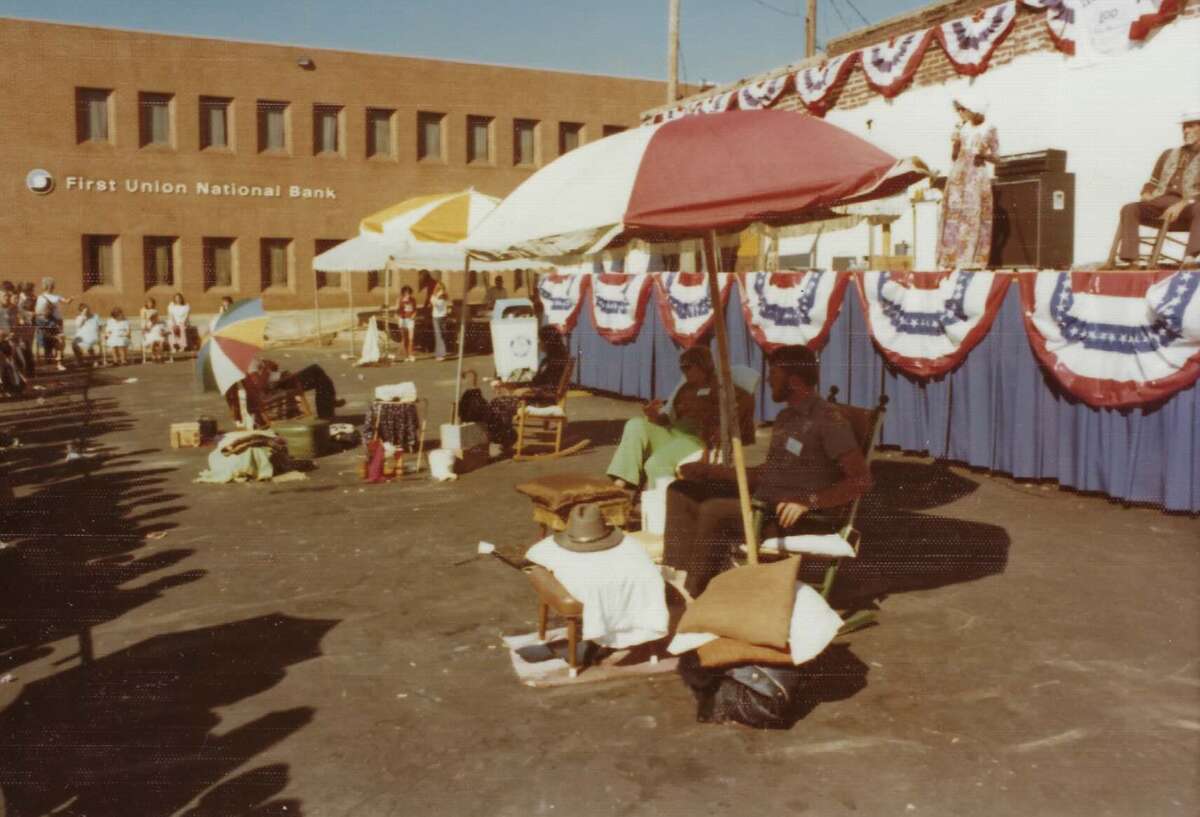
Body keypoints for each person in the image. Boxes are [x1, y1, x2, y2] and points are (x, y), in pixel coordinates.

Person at [662, 345, 872, 597]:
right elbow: (767, 474)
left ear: (793, 381)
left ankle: (695, 594)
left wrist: (808, 502)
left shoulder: (828, 421)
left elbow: (861, 479)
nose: (768, 380)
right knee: (682, 490)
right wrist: (713, 471)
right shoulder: (785, 418)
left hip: (791, 518)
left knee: (714, 510)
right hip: (763, 501)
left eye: (774, 373)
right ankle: (678, 576)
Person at [607, 346, 754, 490]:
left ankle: (664, 503)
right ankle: (624, 480)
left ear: (702, 365)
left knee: (656, 462)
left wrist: (724, 428)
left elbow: (746, 400)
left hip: (698, 438)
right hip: (674, 432)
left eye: (688, 367)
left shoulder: (721, 386)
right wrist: (654, 416)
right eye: (682, 368)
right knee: (635, 424)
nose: (684, 372)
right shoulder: (684, 389)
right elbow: (668, 420)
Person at [1117, 111, 1200, 268]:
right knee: (1129, 208)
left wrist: (1182, 204)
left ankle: (1190, 259)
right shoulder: (1168, 154)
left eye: (1190, 126)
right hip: (1159, 204)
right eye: (1184, 127)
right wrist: (1146, 193)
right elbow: (1153, 182)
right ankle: (1133, 260)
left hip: (1187, 210)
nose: (1186, 131)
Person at [936, 91, 999, 270]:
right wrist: (955, 144)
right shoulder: (962, 128)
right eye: (959, 109)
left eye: (963, 108)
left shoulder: (989, 128)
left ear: (974, 108)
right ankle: (950, 258)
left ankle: (970, 259)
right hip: (959, 176)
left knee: (972, 215)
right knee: (954, 215)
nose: (960, 112)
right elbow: (954, 157)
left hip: (975, 175)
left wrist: (984, 155)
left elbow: (997, 157)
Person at [481, 326, 571, 450]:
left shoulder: (556, 361)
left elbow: (551, 387)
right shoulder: (551, 359)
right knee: (499, 404)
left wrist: (528, 390)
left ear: (548, 341)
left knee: (498, 404)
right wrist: (511, 384)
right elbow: (539, 381)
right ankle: (505, 438)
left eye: (540, 340)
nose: (538, 343)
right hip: (538, 396)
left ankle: (505, 439)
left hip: (542, 400)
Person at [34, 277, 71, 371]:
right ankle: (54, 361)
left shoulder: (54, 296)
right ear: (48, 286)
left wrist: (70, 299)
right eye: (51, 284)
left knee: (60, 340)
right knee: (55, 340)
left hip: (56, 321)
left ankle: (59, 361)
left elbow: (66, 302)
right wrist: (46, 314)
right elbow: (38, 313)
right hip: (48, 322)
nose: (52, 286)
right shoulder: (42, 297)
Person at [395, 285, 417, 362]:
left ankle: (411, 354)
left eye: (409, 293)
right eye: (406, 293)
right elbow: (397, 311)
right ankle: (406, 355)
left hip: (410, 320)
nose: (408, 294)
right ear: (403, 293)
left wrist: (414, 315)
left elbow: (415, 310)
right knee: (404, 338)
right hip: (402, 319)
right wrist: (402, 304)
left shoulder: (413, 300)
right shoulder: (400, 299)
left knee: (411, 338)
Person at [429, 278, 449, 361]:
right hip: (437, 317)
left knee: (440, 335)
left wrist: (436, 296)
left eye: (441, 288)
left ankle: (441, 354)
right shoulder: (436, 296)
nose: (439, 289)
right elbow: (433, 302)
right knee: (439, 335)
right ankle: (440, 354)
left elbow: (437, 304)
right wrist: (435, 297)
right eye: (438, 288)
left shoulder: (442, 296)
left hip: (441, 317)